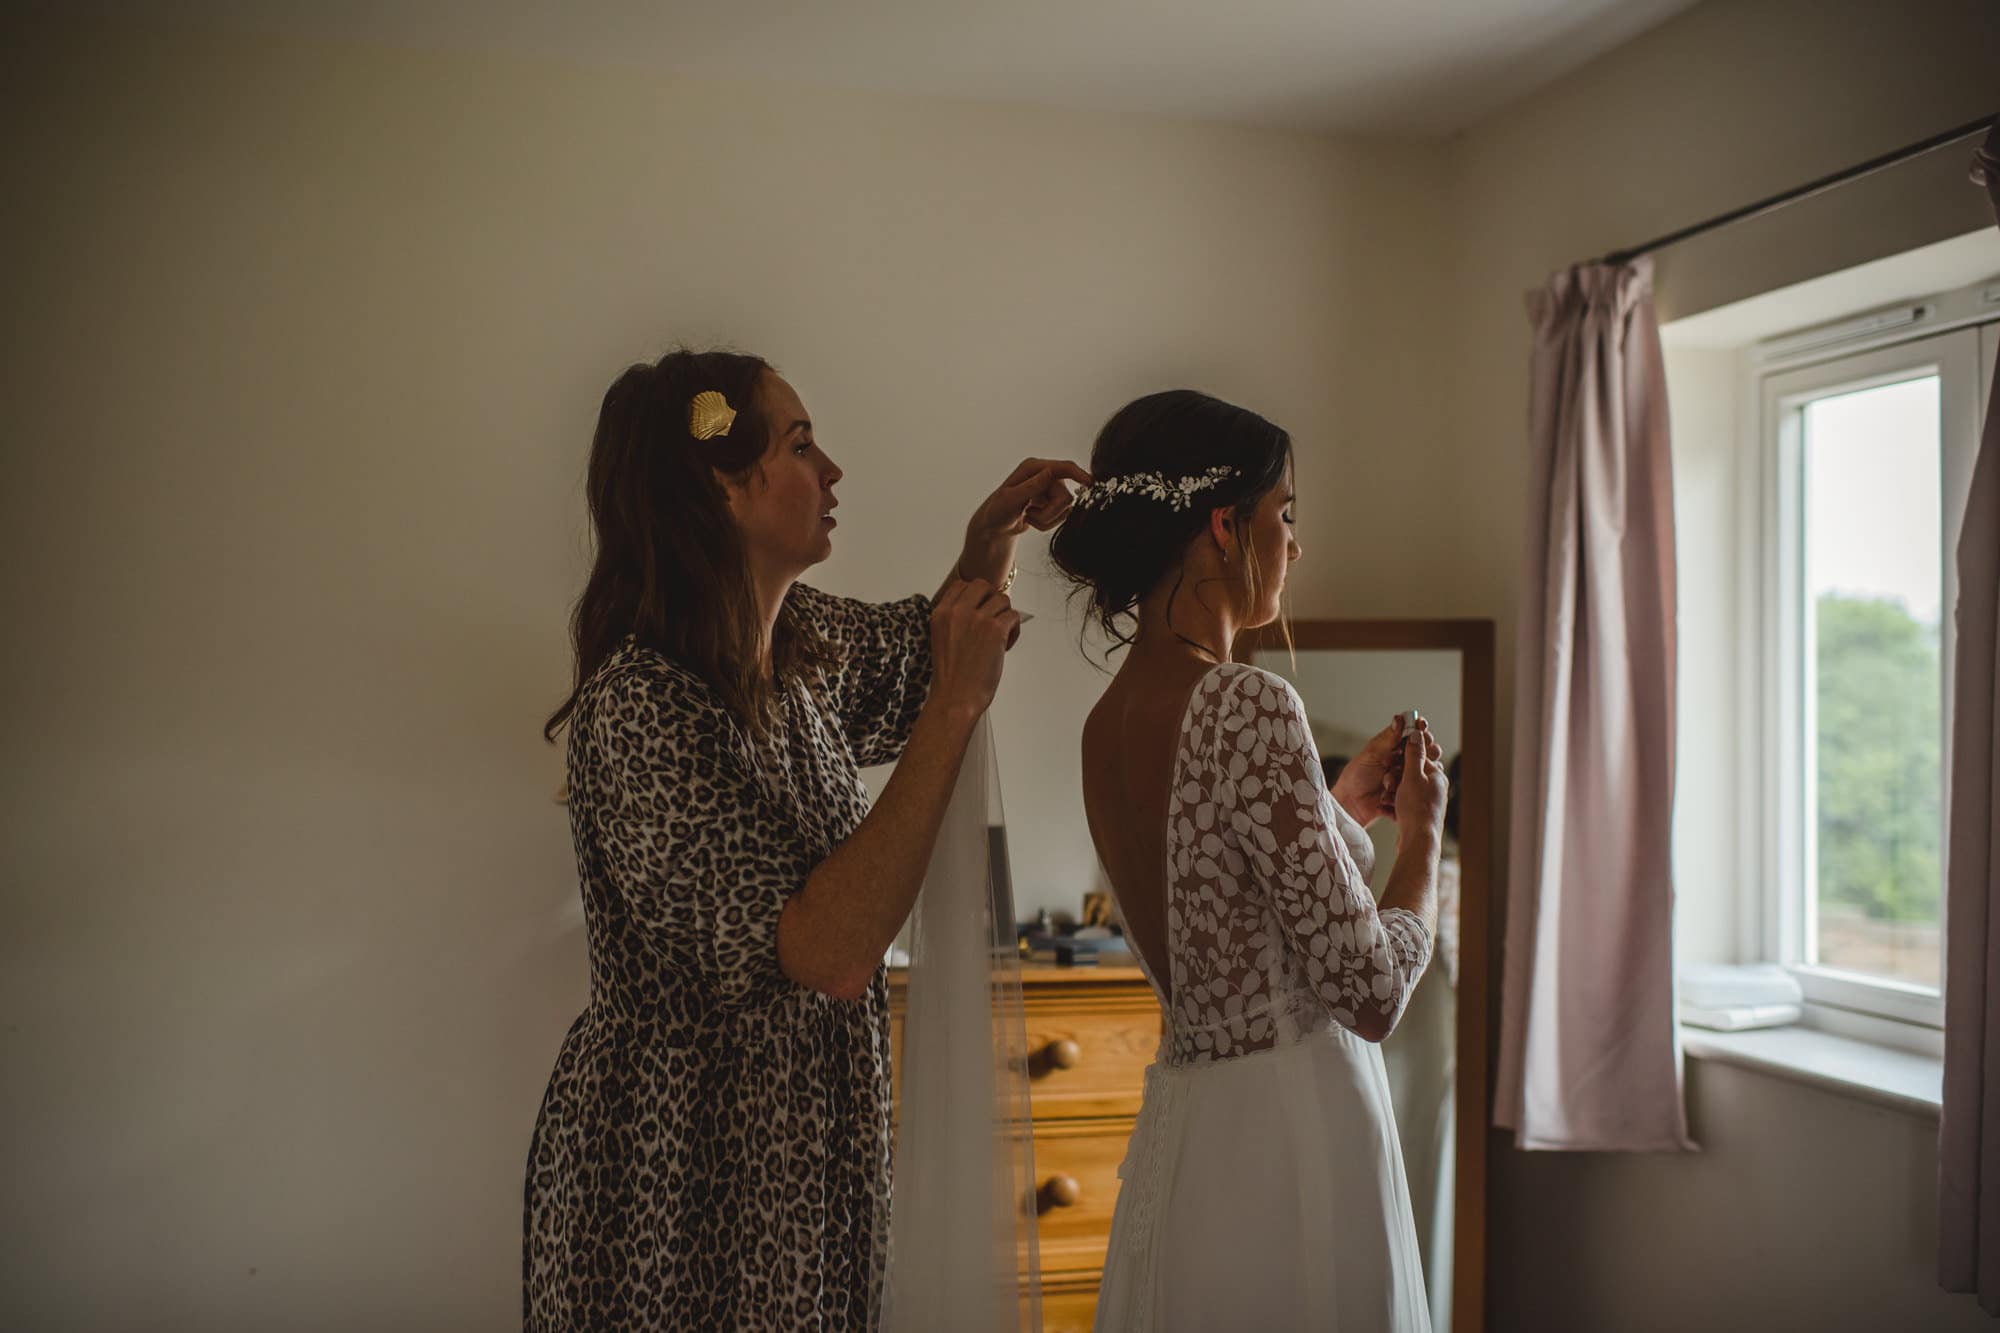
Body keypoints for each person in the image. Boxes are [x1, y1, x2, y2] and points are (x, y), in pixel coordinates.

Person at [524, 347, 1086, 1330]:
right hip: (677, 1181)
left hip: (806, 1154)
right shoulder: (643, 709)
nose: (832, 473)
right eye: (800, 445)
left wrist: (986, 541)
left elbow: (922, 660)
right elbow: (823, 950)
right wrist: (955, 707)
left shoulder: (798, 656)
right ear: (721, 486)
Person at [1050, 390, 1447, 1331]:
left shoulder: (1104, 725)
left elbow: (1218, 900)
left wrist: (1338, 808)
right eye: (1285, 516)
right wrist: (1423, 835)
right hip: (1291, 1130)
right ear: (1224, 526)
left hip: (1191, 1136)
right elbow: (1369, 992)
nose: (1295, 546)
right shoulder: (1246, 702)